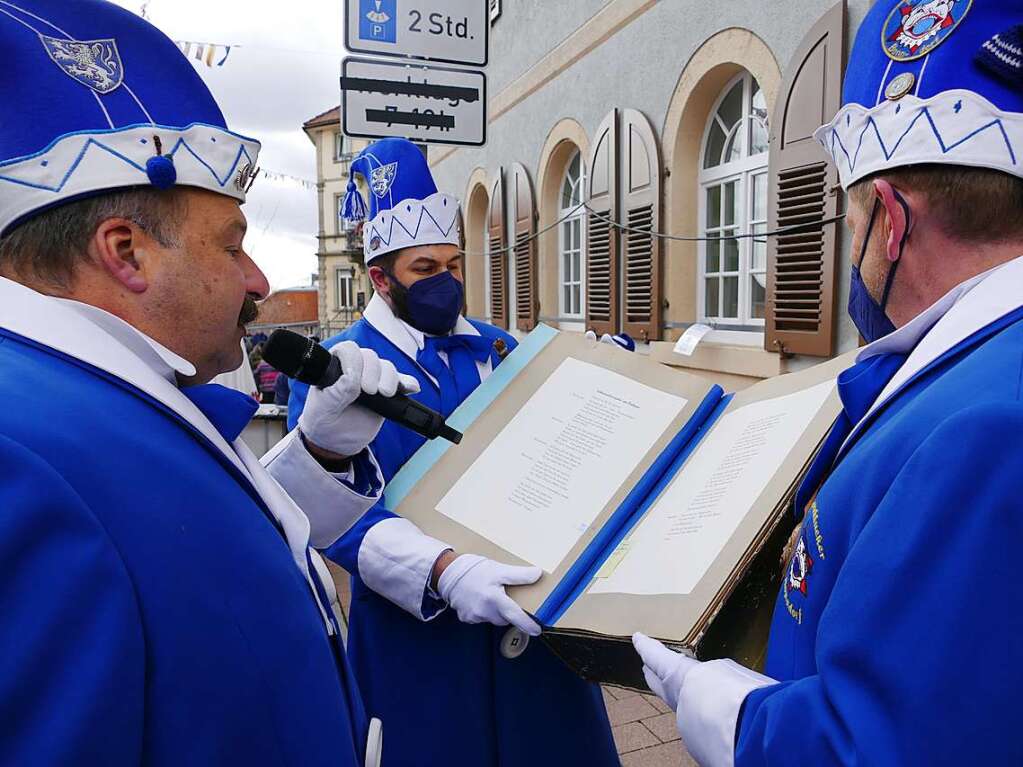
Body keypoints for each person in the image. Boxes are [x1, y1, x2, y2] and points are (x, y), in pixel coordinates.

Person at [0, 2, 415, 764]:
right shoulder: (17, 457)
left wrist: (315, 456)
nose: (258, 279)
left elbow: (195, 544)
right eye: (232, 245)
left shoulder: (87, 393)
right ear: (126, 252)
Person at [634, 1, 1023, 764]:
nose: (848, 251)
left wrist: (724, 709)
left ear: (889, 218)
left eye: (846, 224)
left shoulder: (986, 424)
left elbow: (885, 745)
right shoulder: (970, 365)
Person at [288, 138, 619, 767]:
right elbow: (335, 515)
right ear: (380, 278)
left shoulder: (501, 346)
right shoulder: (336, 366)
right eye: (425, 269)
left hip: (535, 628)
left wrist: (603, 377)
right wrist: (442, 570)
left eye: (455, 264)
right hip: (420, 645)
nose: (447, 282)